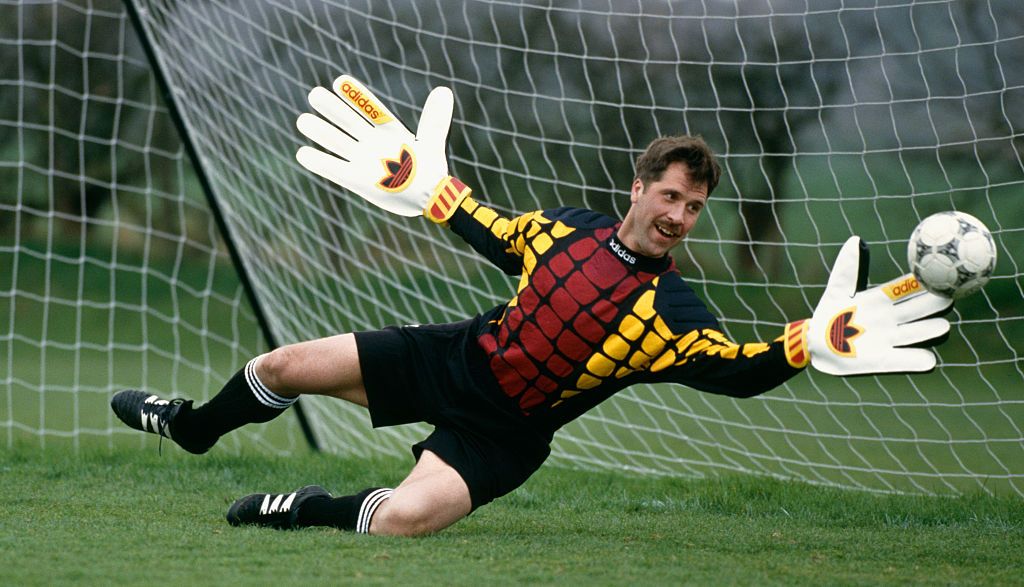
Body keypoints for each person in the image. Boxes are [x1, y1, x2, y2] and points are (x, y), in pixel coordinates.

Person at [111, 76, 952, 537]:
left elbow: (737, 373)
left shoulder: (676, 313)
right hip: (455, 356)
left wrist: (810, 343)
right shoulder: (565, 232)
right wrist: (426, 187)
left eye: (694, 207)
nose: (678, 216)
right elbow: (480, 222)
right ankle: (191, 426)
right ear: (639, 187)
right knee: (284, 364)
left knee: (403, 520)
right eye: (669, 196)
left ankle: (300, 508)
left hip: (505, 433)